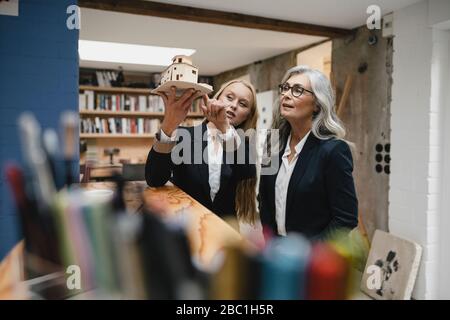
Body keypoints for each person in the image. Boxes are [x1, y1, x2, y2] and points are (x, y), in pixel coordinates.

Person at [259, 65, 358, 241]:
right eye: (285, 88)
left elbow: (345, 220)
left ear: (317, 104)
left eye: (298, 90)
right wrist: (270, 244)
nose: (286, 95)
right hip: (277, 253)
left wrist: (305, 255)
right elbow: (264, 201)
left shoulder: (333, 151)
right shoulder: (272, 143)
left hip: (314, 259)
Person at [145, 80, 259, 223]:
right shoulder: (183, 135)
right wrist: (168, 124)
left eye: (243, 104)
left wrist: (224, 127)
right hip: (185, 226)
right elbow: (154, 179)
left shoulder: (243, 144)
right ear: (216, 99)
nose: (234, 105)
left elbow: (246, 172)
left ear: (248, 115)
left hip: (225, 229)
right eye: (229, 97)